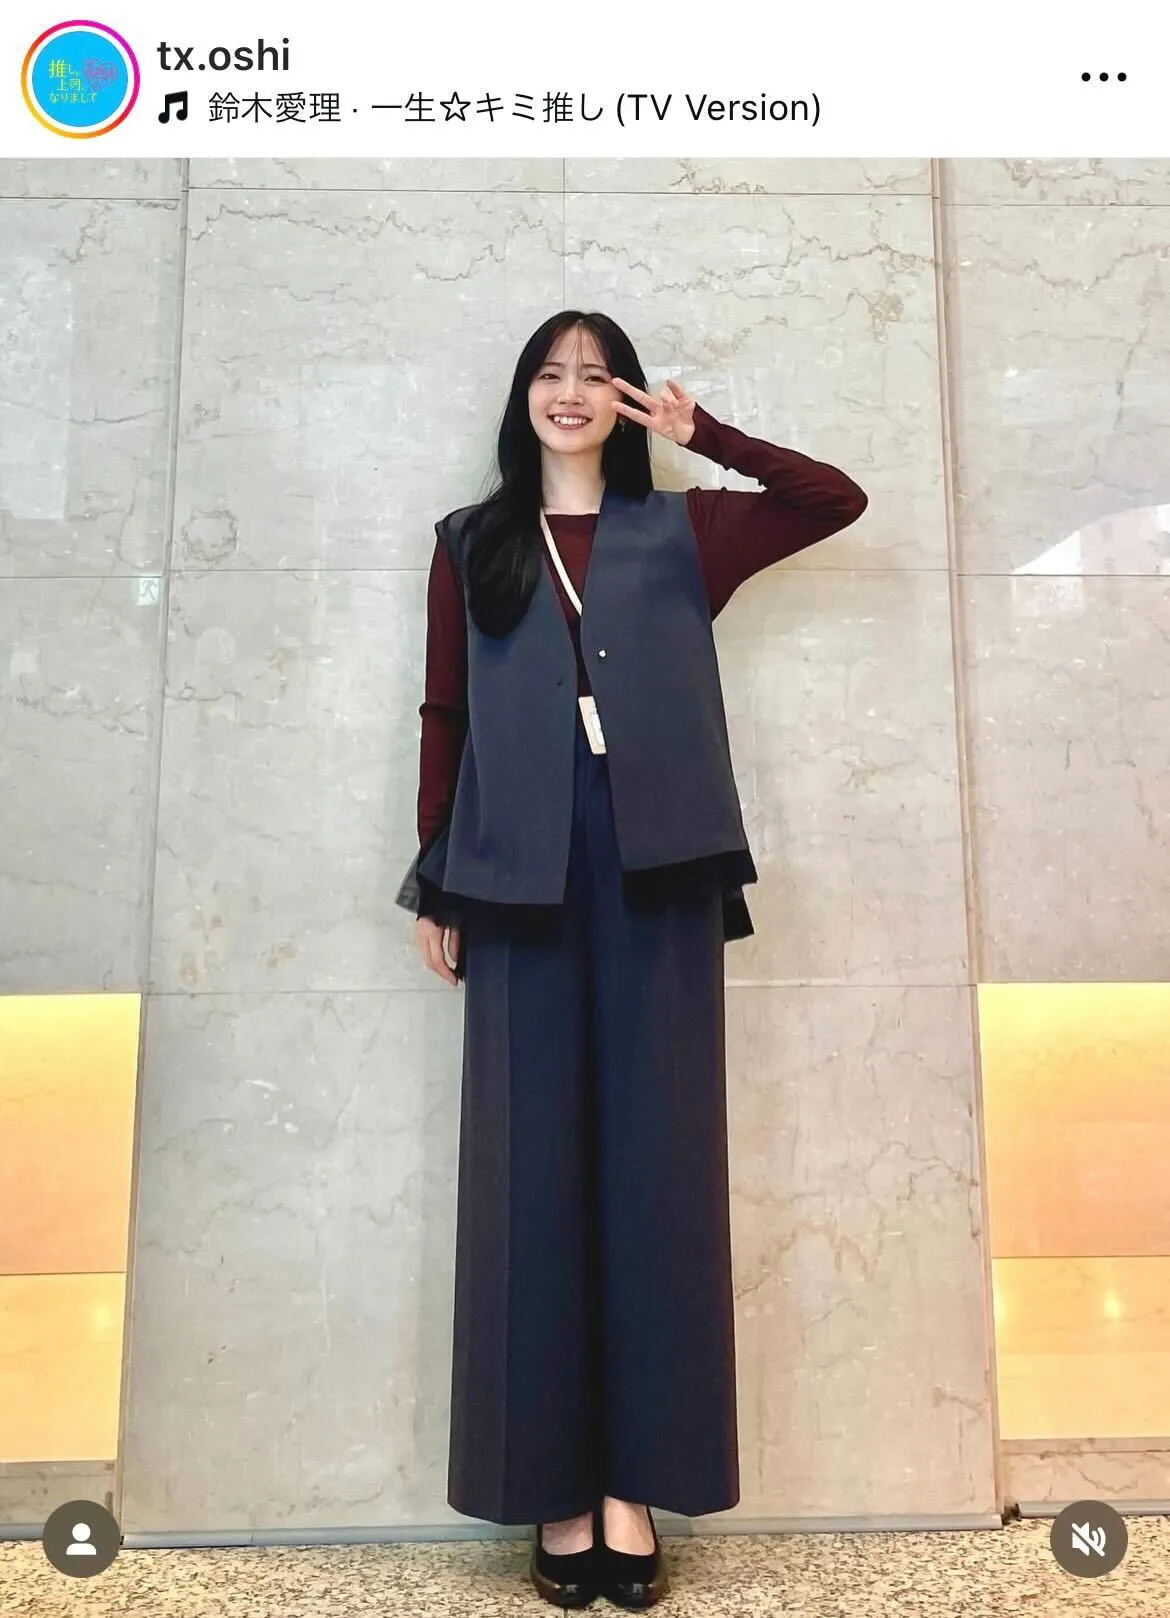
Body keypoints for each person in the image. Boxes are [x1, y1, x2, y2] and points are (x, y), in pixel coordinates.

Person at [397, 310, 868, 1609]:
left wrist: (705, 434)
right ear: (522, 396)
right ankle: (552, 1485)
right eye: (549, 374)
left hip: (660, 870)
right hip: (513, 877)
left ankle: (634, 1488)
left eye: (593, 375)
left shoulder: (683, 531)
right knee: (528, 1176)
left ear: (623, 399)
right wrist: (436, 879)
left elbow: (832, 499)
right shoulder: (471, 541)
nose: (569, 392)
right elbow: (444, 710)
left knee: (659, 1174)